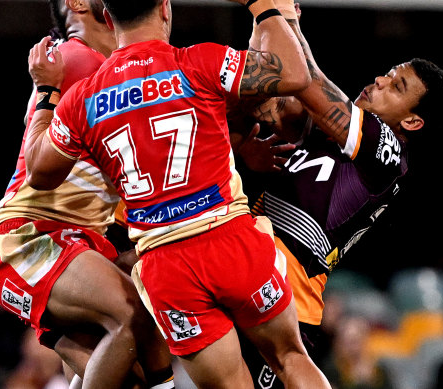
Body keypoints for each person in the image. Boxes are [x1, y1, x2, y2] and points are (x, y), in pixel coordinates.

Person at [24, 0, 334, 387]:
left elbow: (38, 172)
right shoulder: (198, 61)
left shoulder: (81, 99)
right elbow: (295, 74)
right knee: (290, 357)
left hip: (166, 267)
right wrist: (263, 5)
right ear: (166, 9)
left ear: (107, 16)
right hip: (229, 238)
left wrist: (46, 91)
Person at [233, 2, 443, 387]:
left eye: (396, 85)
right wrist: (277, 16)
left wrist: (271, 10)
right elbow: (273, 75)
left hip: (289, 293)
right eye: (389, 73)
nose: (380, 81)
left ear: (412, 121)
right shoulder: (325, 132)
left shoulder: (387, 153)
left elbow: (307, 79)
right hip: (243, 260)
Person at [0, 1, 174, 388]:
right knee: (134, 313)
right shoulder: (78, 58)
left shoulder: (79, 63)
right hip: (32, 236)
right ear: (78, 3)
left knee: (129, 376)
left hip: (77, 243)